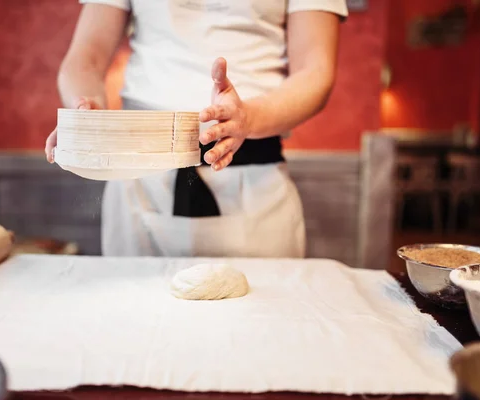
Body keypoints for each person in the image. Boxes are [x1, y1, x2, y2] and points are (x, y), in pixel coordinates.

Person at [45, 0, 347, 258]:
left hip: (253, 181)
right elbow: (85, 59)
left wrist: (248, 118)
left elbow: (315, 71)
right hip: (138, 178)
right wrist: (83, 116)